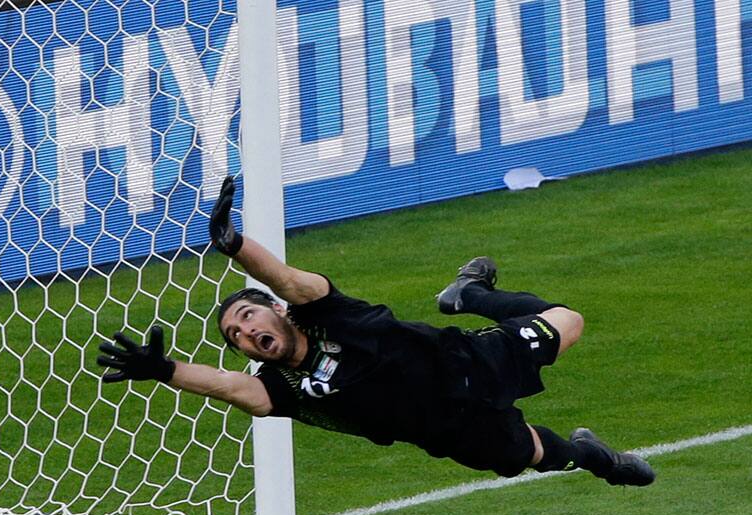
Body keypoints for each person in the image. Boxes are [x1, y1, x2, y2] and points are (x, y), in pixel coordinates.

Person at [97, 177, 655, 486]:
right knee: (535, 455)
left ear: (277, 313)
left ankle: (471, 296)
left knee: (568, 321)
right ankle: (596, 459)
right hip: (451, 432)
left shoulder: (325, 312)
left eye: (248, 315)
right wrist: (164, 371)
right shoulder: (285, 388)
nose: (245, 332)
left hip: (471, 362)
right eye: (234, 335)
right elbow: (232, 388)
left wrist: (235, 246)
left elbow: (287, 278)